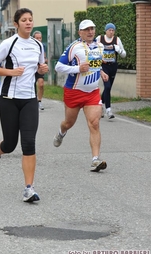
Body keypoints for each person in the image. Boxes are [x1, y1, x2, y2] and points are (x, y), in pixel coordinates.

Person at [0, 8, 48, 202]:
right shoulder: (8, 43)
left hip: (30, 99)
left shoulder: (38, 45)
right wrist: (11, 73)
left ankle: (29, 188)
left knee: (29, 143)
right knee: (11, 144)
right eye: (24, 20)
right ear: (16, 24)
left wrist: (42, 69)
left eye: (31, 19)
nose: (28, 23)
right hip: (9, 99)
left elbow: (38, 70)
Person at [53, 19, 109, 172]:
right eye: (86, 29)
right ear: (80, 32)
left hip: (92, 92)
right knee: (69, 123)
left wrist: (101, 72)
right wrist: (77, 68)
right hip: (74, 92)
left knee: (94, 123)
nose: (90, 32)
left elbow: (95, 65)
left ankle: (95, 160)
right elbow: (58, 66)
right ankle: (61, 132)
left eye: (92, 29)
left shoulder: (99, 46)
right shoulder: (74, 47)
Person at [96, 23, 126, 119]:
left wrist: (119, 50)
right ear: (106, 31)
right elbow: (92, 50)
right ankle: (108, 110)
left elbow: (124, 54)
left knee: (108, 88)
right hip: (104, 66)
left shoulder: (117, 40)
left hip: (113, 66)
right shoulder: (99, 39)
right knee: (107, 86)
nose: (111, 32)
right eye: (109, 30)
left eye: (113, 30)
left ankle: (100, 106)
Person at [32, 31, 47, 110]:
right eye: (37, 38)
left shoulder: (42, 46)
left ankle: (39, 101)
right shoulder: (30, 46)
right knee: (32, 85)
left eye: (40, 38)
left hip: (40, 68)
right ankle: (33, 101)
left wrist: (45, 60)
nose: (39, 39)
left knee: (41, 84)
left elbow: (44, 55)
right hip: (32, 68)